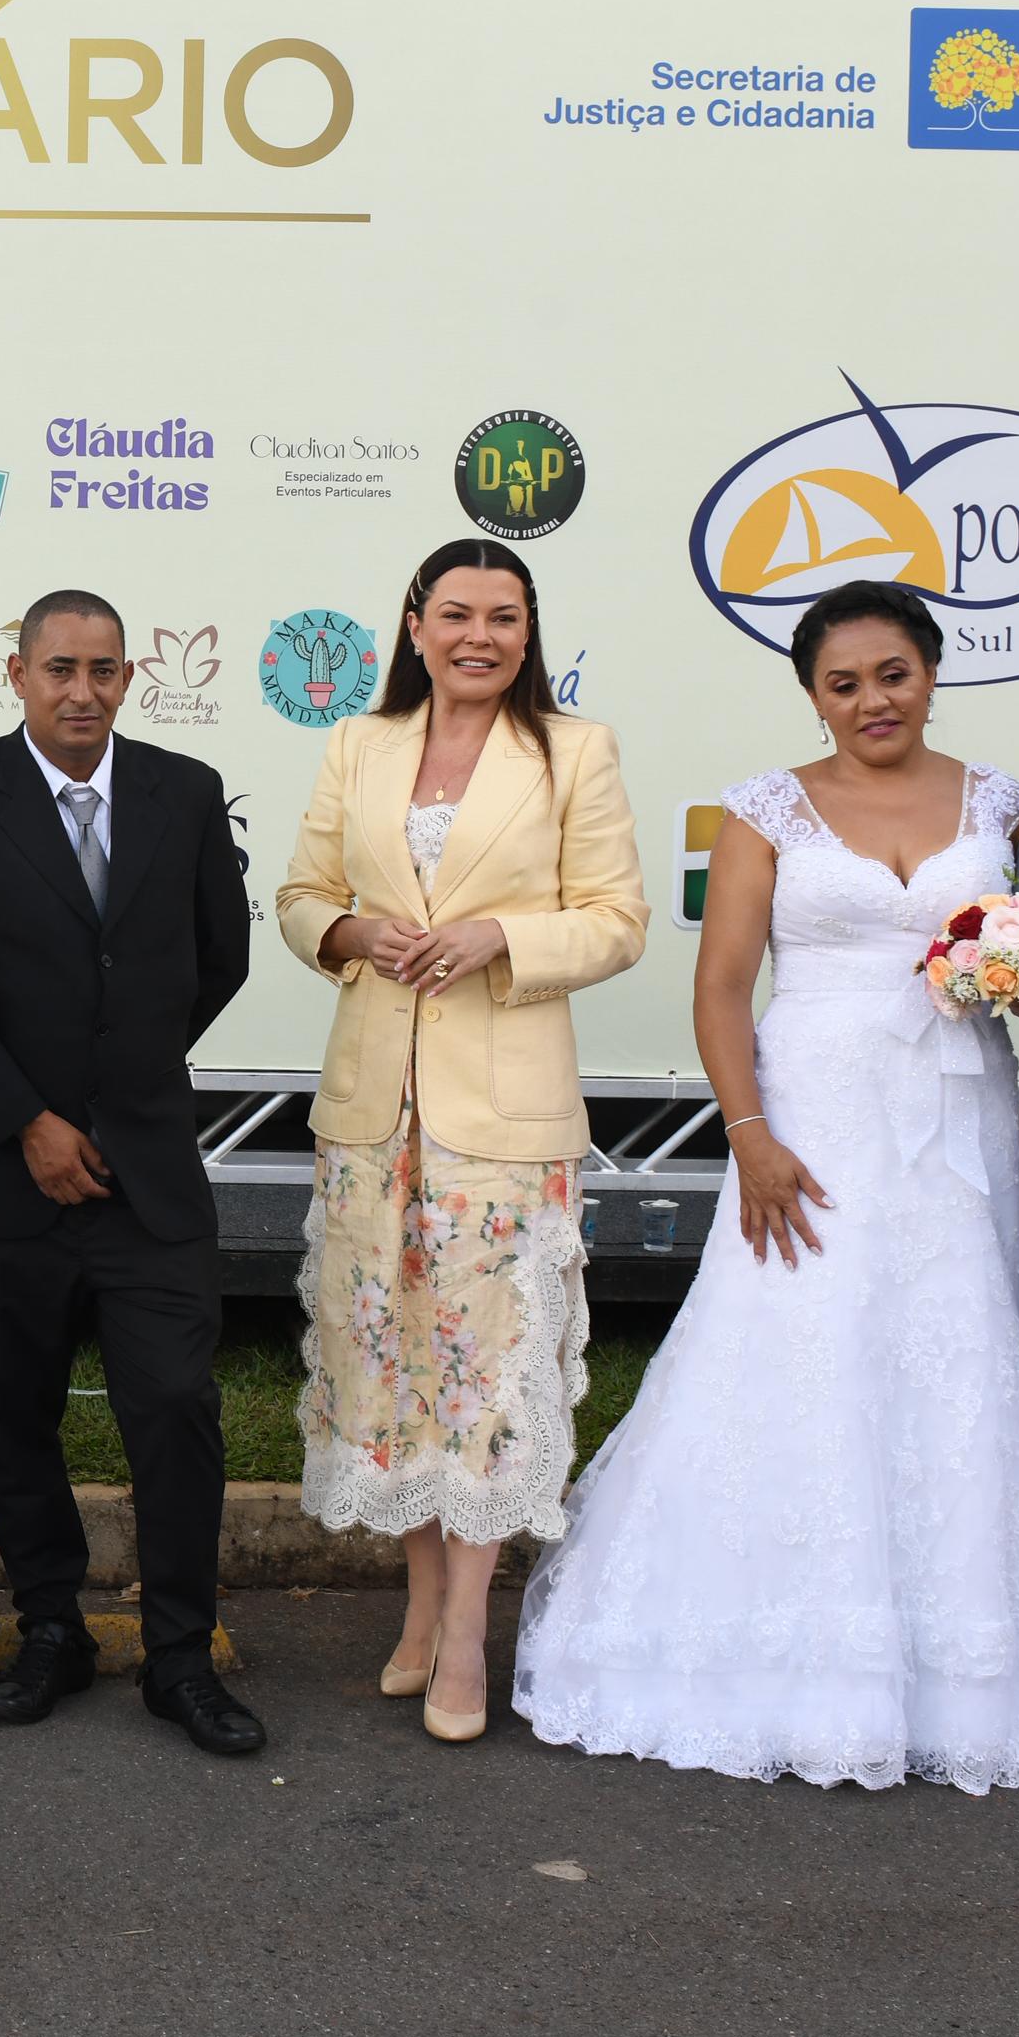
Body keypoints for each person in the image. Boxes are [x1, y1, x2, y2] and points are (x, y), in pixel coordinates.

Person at [511, 582, 1019, 1791]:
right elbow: (721, 985)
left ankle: (946, 1674)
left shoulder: (1003, 803)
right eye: (842, 682)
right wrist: (748, 1133)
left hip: (953, 1115)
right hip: (810, 1120)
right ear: (812, 695)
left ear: (930, 672)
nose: (871, 699)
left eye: (892, 673)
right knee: (791, 1348)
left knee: (949, 1352)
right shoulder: (764, 808)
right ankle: (759, 1655)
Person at [275, 537, 645, 1745]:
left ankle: (469, 1634)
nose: (477, 635)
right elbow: (298, 897)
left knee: (482, 1373)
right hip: (372, 1109)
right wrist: (349, 933)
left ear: (527, 632)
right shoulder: (359, 743)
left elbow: (618, 920)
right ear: (414, 625)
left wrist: (501, 937)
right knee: (391, 1366)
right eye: (455, 613)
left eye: (502, 616)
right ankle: (422, 1603)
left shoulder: (572, 750)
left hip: (503, 1117)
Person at [0, 589, 263, 1758]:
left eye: (102, 669)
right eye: (59, 667)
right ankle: (49, 1626)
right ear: (16, 674)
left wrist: (118, 1087)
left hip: (147, 1169)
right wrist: (29, 1121)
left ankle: (177, 1654)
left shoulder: (183, 791)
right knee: (14, 1415)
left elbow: (219, 957)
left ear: (127, 677)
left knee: (176, 1407)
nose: (81, 690)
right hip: (6, 1179)